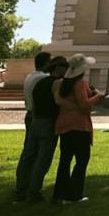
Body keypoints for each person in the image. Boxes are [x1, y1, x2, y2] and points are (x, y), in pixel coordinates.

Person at [15, 56, 69, 202]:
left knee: (28, 154)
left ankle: (21, 188)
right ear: (58, 68)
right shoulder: (56, 82)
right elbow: (58, 101)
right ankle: (34, 191)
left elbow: (32, 102)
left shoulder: (38, 81)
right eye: (65, 68)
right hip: (48, 122)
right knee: (43, 158)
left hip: (35, 120)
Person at [52, 54, 104, 203]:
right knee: (82, 160)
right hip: (79, 126)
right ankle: (74, 194)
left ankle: (60, 193)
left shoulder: (63, 83)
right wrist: (97, 97)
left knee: (65, 160)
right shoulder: (80, 83)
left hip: (64, 125)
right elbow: (83, 104)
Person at [14, 51, 52, 199]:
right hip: (41, 116)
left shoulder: (30, 77)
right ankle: (34, 189)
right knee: (42, 153)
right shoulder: (45, 78)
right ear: (46, 63)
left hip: (30, 115)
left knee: (28, 152)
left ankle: (22, 185)